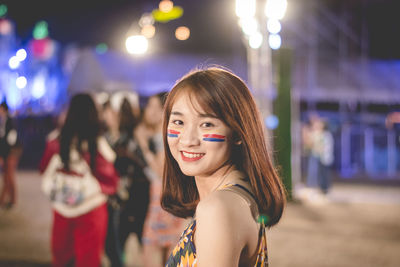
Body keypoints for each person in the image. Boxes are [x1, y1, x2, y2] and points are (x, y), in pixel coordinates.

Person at [161, 67, 286, 266]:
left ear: (237, 133)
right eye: (178, 121)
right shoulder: (240, 193)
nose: (187, 139)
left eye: (207, 124)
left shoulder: (217, 209)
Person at [39, 93, 119, 267]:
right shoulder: (99, 145)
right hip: (91, 210)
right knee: (89, 261)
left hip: (61, 209)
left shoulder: (55, 141)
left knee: (61, 258)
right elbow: (111, 181)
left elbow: (43, 169)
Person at [136, 92, 183, 267]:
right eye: (149, 106)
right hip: (158, 205)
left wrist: (142, 144)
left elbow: (159, 171)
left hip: (167, 206)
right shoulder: (156, 137)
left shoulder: (168, 138)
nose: (150, 111)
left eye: (156, 107)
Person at [303, 114, 334, 195]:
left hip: (324, 157)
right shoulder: (322, 134)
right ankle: (322, 188)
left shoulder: (325, 135)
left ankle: (325, 189)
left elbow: (323, 147)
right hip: (322, 157)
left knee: (324, 174)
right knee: (321, 174)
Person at [0, 100, 21, 210]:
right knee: (7, 177)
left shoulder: (10, 122)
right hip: (7, 152)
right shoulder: (3, 121)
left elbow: (11, 141)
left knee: (9, 176)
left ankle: (10, 200)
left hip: (11, 153)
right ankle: (7, 200)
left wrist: (3, 155)